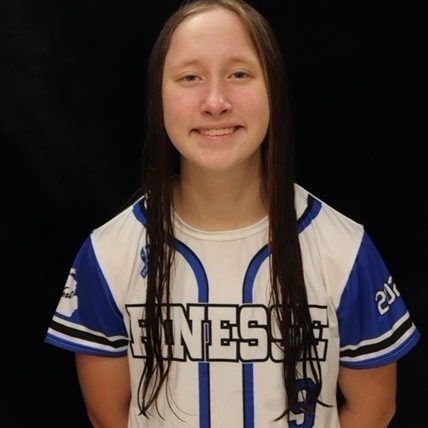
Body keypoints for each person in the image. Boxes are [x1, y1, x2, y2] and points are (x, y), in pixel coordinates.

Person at [45, 0, 421, 427]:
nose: (215, 102)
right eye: (190, 77)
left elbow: (375, 408)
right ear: (158, 96)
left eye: (239, 74)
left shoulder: (345, 250)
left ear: (273, 88)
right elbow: (107, 414)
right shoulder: (108, 254)